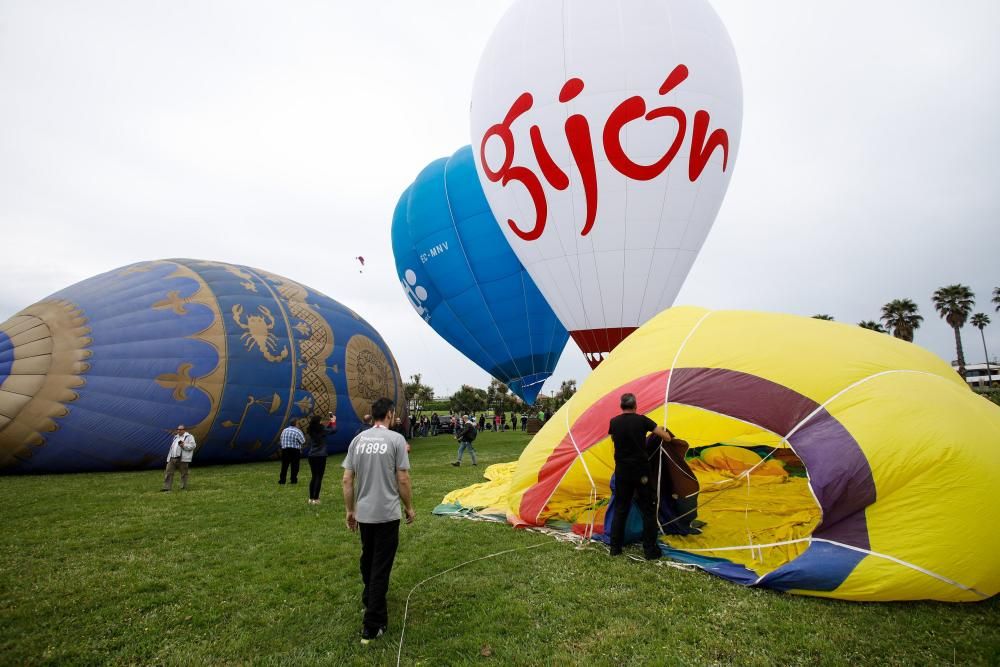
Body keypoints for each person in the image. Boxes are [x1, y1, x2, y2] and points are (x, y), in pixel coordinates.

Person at [342, 398, 415, 644]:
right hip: (387, 513)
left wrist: (350, 510)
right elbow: (402, 479)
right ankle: (373, 624)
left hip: (365, 513)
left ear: (372, 415)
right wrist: (409, 507)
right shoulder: (396, 440)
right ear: (390, 414)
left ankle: (369, 597)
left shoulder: (357, 440)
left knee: (368, 558)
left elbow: (347, 480)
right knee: (380, 566)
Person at [607, 392, 674, 560]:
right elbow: (666, 437)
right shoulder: (643, 420)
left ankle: (615, 548)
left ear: (621, 406)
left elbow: (614, 439)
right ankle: (650, 550)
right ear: (635, 405)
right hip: (641, 472)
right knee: (649, 509)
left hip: (622, 472)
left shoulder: (614, 422)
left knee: (621, 509)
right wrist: (665, 433)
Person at [305, 414, 336, 504]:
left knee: (314, 476)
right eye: (321, 420)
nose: (322, 422)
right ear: (319, 422)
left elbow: (326, 429)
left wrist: (330, 423)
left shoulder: (311, 429)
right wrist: (333, 422)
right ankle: (316, 498)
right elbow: (333, 430)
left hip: (312, 455)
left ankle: (311, 498)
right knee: (319, 477)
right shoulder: (321, 429)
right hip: (321, 456)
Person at [162, 424, 196, 491]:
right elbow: (172, 448)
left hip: (182, 458)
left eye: (180, 429)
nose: (179, 430)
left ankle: (183, 487)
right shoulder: (175, 437)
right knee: (168, 472)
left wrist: (184, 445)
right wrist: (169, 457)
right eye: (178, 429)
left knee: (184, 473)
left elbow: (193, 446)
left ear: (184, 430)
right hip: (172, 458)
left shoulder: (189, 437)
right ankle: (167, 488)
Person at [278, 419, 305, 484]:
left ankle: (282, 480)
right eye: (298, 423)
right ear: (296, 424)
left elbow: (281, 438)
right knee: (295, 466)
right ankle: (293, 480)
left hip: (285, 450)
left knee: (284, 466)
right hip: (294, 450)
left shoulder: (284, 430)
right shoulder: (298, 431)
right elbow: (303, 441)